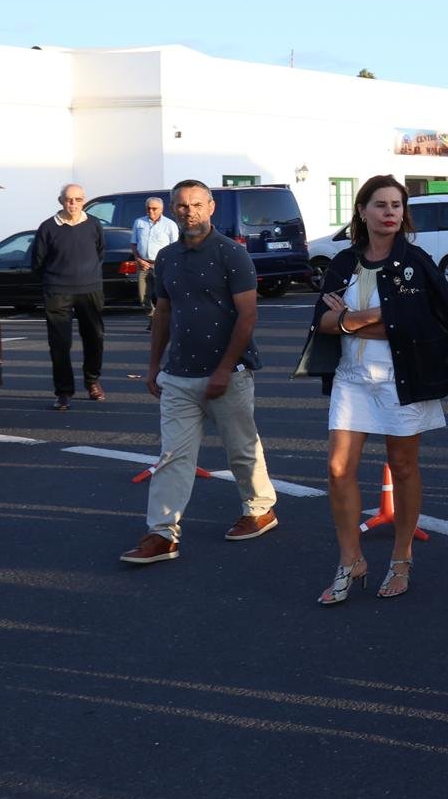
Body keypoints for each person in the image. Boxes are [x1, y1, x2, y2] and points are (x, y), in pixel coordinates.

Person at [303, 176, 448, 604]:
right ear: (362, 211)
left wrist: (356, 318)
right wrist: (383, 319)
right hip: (352, 380)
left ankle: (402, 557)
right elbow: (323, 322)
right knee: (338, 470)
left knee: (403, 467)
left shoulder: (417, 261)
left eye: (396, 205)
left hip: (404, 377)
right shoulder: (342, 263)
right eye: (380, 204)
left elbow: (426, 321)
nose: (390, 212)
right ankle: (350, 560)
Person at [119, 179, 279, 565]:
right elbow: (163, 314)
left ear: (210, 208)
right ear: (174, 210)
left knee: (241, 448)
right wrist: (154, 366)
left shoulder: (231, 254)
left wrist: (224, 370)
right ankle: (162, 534)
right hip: (178, 375)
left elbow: (248, 316)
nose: (188, 211)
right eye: (181, 205)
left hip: (229, 373)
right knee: (172, 455)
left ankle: (260, 509)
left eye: (196, 204)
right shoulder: (169, 258)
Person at [31, 182, 105, 410]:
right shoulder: (47, 228)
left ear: (84, 200)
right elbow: (37, 262)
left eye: (78, 199)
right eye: (69, 199)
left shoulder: (93, 225)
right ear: (60, 200)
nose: (73, 204)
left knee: (95, 338)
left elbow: (100, 253)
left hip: (90, 289)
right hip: (58, 292)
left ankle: (92, 381)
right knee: (60, 344)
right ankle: (63, 392)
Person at [130, 196, 179, 314]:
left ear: (161, 209)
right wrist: (138, 259)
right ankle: (153, 318)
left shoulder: (170, 224)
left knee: (162, 296)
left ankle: (160, 323)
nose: (150, 211)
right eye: (148, 208)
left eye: (154, 208)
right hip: (143, 265)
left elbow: (175, 248)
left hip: (162, 266)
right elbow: (133, 244)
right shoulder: (139, 222)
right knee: (143, 298)